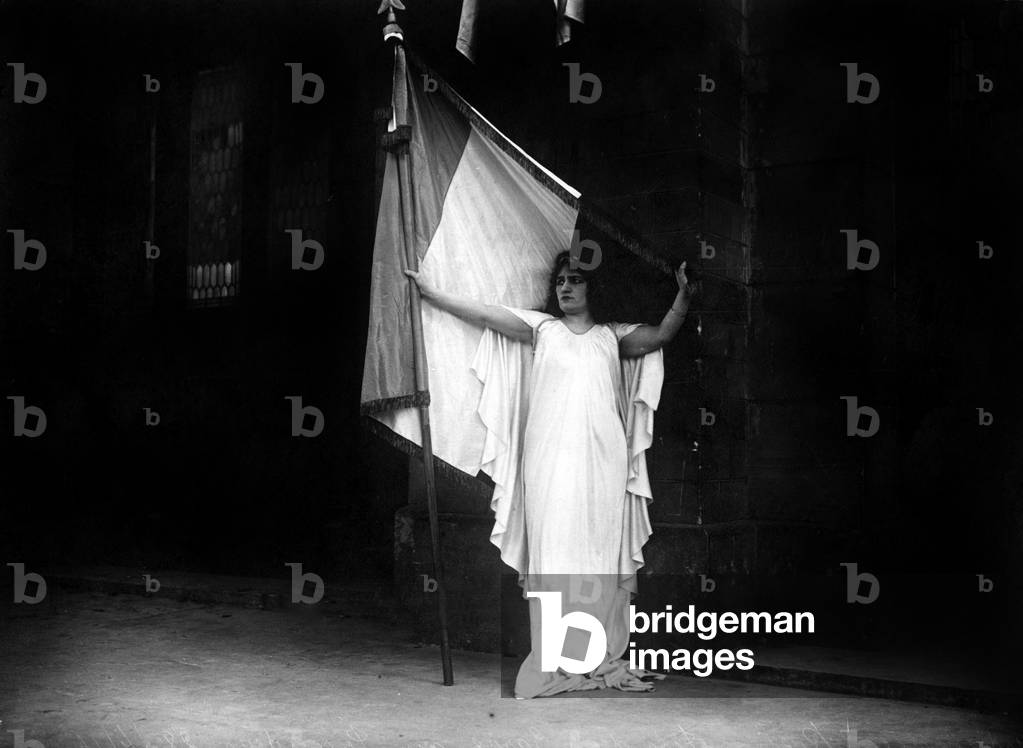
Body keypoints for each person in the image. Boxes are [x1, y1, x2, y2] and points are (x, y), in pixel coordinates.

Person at [404, 250, 695, 697]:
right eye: (560, 280)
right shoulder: (542, 329)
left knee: (596, 559)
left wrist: (683, 297)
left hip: (603, 463)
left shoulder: (612, 337)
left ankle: (594, 654)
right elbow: (486, 314)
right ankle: (555, 656)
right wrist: (431, 292)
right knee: (553, 557)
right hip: (548, 462)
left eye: (576, 279)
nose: (566, 287)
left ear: (594, 287)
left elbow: (662, 335)